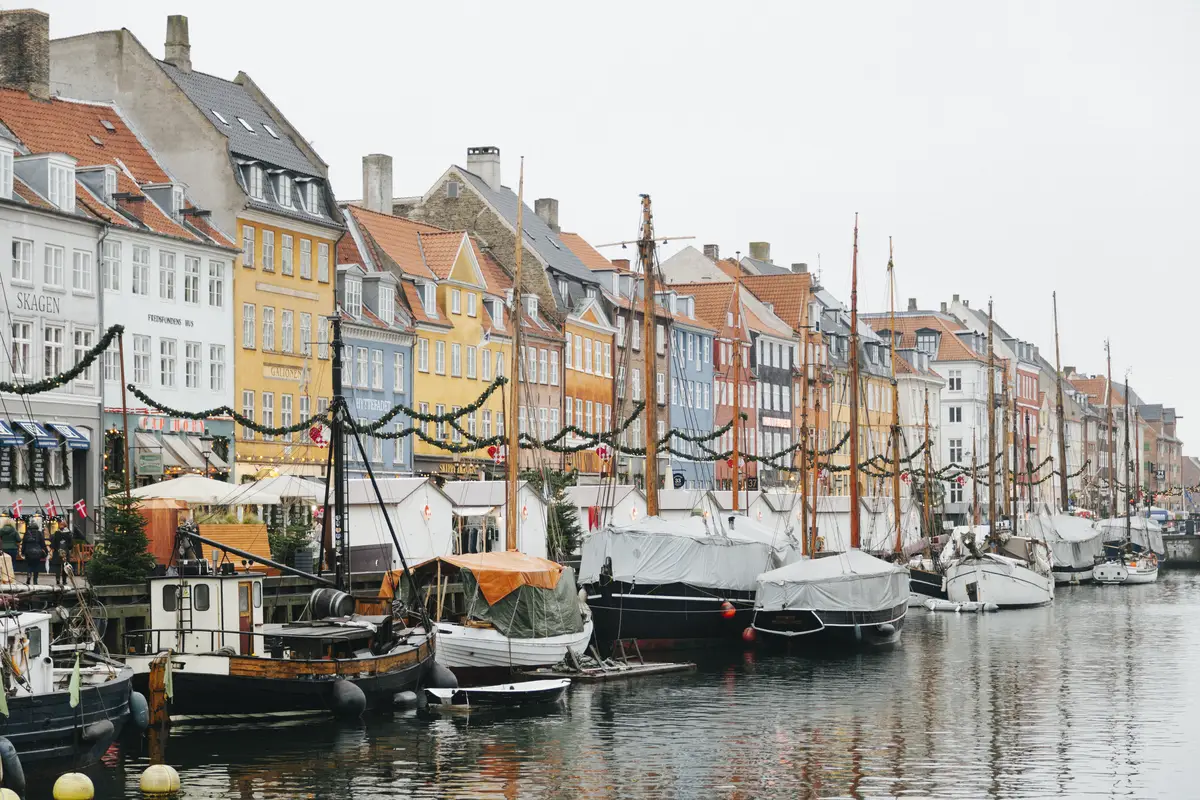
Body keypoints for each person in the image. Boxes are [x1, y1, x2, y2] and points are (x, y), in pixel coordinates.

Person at [21, 522, 45, 586]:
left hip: (28, 552)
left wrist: (22, 552)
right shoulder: (39, 533)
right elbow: (43, 543)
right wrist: (45, 552)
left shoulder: (27, 533)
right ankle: (35, 581)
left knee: (29, 565)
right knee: (36, 566)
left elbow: (24, 543)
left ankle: (29, 575)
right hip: (37, 552)